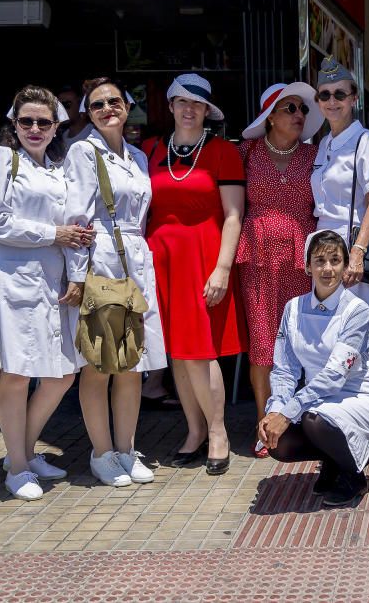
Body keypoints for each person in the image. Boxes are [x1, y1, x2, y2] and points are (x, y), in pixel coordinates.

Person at [0, 85, 94, 500]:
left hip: (55, 282)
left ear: (56, 125)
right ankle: (18, 467)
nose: (34, 128)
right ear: (14, 123)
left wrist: (76, 275)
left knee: (62, 373)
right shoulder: (0, 160)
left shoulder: (56, 170)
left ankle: (21, 452)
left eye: (43, 122)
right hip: (13, 280)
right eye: (25, 120)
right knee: (16, 372)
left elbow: (75, 230)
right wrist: (52, 234)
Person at [142, 74, 247, 475]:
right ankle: (194, 430)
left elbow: (234, 215)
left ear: (207, 111)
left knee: (199, 351)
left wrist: (222, 267)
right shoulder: (150, 149)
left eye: (198, 104)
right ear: (170, 106)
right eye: (182, 102)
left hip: (203, 257)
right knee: (177, 354)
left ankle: (218, 432)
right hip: (160, 259)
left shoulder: (223, 151)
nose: (189, 110)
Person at [66, 77, 168, 486]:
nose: (108, 109)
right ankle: (102, 452)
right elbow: (77, 218)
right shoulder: (82, 151)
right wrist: (76, 275)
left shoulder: (138, 156)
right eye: (97, 106)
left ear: (127, 105)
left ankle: (126, 449)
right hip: (104, 260)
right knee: (100, 363)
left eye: (114, 101)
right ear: (88, 114)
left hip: (137, 258)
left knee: (131, 363)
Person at [258, 230, 369, 506]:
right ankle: (331, 460)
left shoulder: (357, 310)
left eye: (335, 260)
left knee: (314, 420)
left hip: (358, 396)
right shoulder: (292, 308)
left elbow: (333, 377)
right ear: (307, 266)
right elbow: (284, 369)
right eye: (319, 260)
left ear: (344, 266)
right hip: (316, 399)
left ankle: (354, 476)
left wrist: (289, 411)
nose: (327, 268)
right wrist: (275, 410)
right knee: (278, 444)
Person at [236, 81, 323, 458]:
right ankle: (264, 424)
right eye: (291, 109)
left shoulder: (315, 154)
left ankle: (307, 423)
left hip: (303, 256)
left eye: (303, 110)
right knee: (263, 342)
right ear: (270, 115)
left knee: (305, 340)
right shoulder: (245, 152)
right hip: (257, 255)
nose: (300, 115)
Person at [311, 55, 369, 364]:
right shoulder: (324, 144)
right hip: (324, 249)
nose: (332, 101)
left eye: (340, 94)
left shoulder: (367, 140)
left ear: (354, 99)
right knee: (328, 339)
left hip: (353, 247)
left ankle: (362, 410)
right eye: (325, 95)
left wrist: (357, 252)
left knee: (356, 341)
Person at [57, 84, 92, 152]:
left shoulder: (93, 133)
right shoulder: (63, 136)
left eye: (66, 104)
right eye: (59, 106)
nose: (61, 110)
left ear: (80, 105)